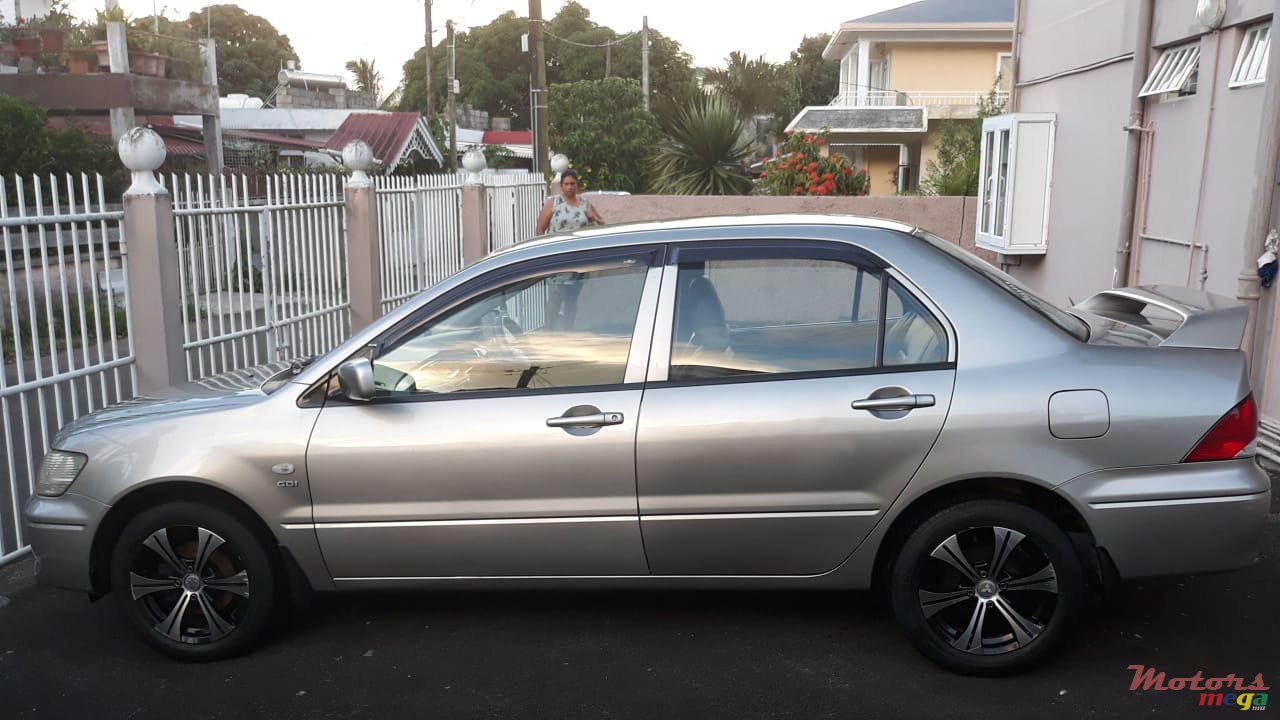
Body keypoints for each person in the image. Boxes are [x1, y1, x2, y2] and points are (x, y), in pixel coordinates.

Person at [535, 170, 604, 329]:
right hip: (557, 257)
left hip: (578, 258)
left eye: (572, 184)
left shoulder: (585, 204)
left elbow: (602, 225)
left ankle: (568, 331)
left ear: (577, 185)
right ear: (561, 186)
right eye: (566, 184)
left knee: (572, 297)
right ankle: (549, 330)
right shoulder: (554, 203)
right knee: (555, 294)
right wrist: (542, 253)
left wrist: (593, 218)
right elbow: (540, 229)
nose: (569, 187)